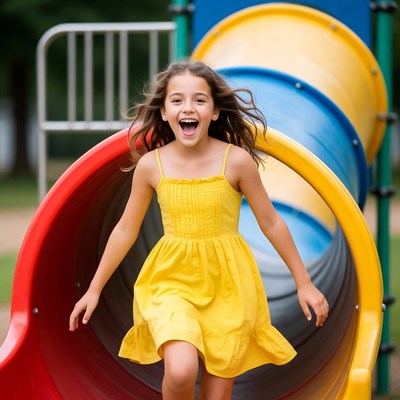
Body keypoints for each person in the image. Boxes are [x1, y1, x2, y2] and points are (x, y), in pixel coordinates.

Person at [69, 60, 329, 400]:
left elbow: (271, 221)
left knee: (216, 394)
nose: (187, 107)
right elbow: (125, 230)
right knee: (180, 370)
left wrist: (304, 282)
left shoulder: (236, 161)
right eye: (177, 100)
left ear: (216, 112)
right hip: (171, 279)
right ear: (163, 113)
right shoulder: (151, 165)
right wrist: (94, 289)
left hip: (228, 286)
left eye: (199, 100)